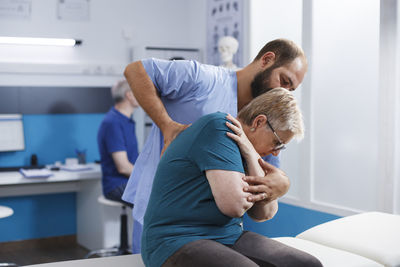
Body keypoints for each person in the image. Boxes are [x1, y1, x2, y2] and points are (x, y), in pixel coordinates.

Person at [123, 38, 308, 253]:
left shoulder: (267, 119)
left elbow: (268, 176)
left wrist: (282, 183)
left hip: (212, 229)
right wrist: (167, 126)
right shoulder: (204, 79)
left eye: (291, 90)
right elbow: (136, 70)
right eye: (284, 81)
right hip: (162, 213)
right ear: (267, 59)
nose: (284, 92)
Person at [142, 88, 322, 267]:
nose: (275, 153)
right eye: (278, 143)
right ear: (259, 122)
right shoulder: (220, 127)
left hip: (227, 237)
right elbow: (234, 206)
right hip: (175, 240)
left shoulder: (248, 150)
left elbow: (264, 213)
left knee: (308, 264)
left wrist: (251, 154)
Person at [97, 79, 139, 206]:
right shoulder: (113, 122)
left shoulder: (126, 121)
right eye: (139, 91)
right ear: (129, 95)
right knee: (153, 200)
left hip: (127, 181)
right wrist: (148, 178)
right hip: (117, 184)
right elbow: (123, 167)